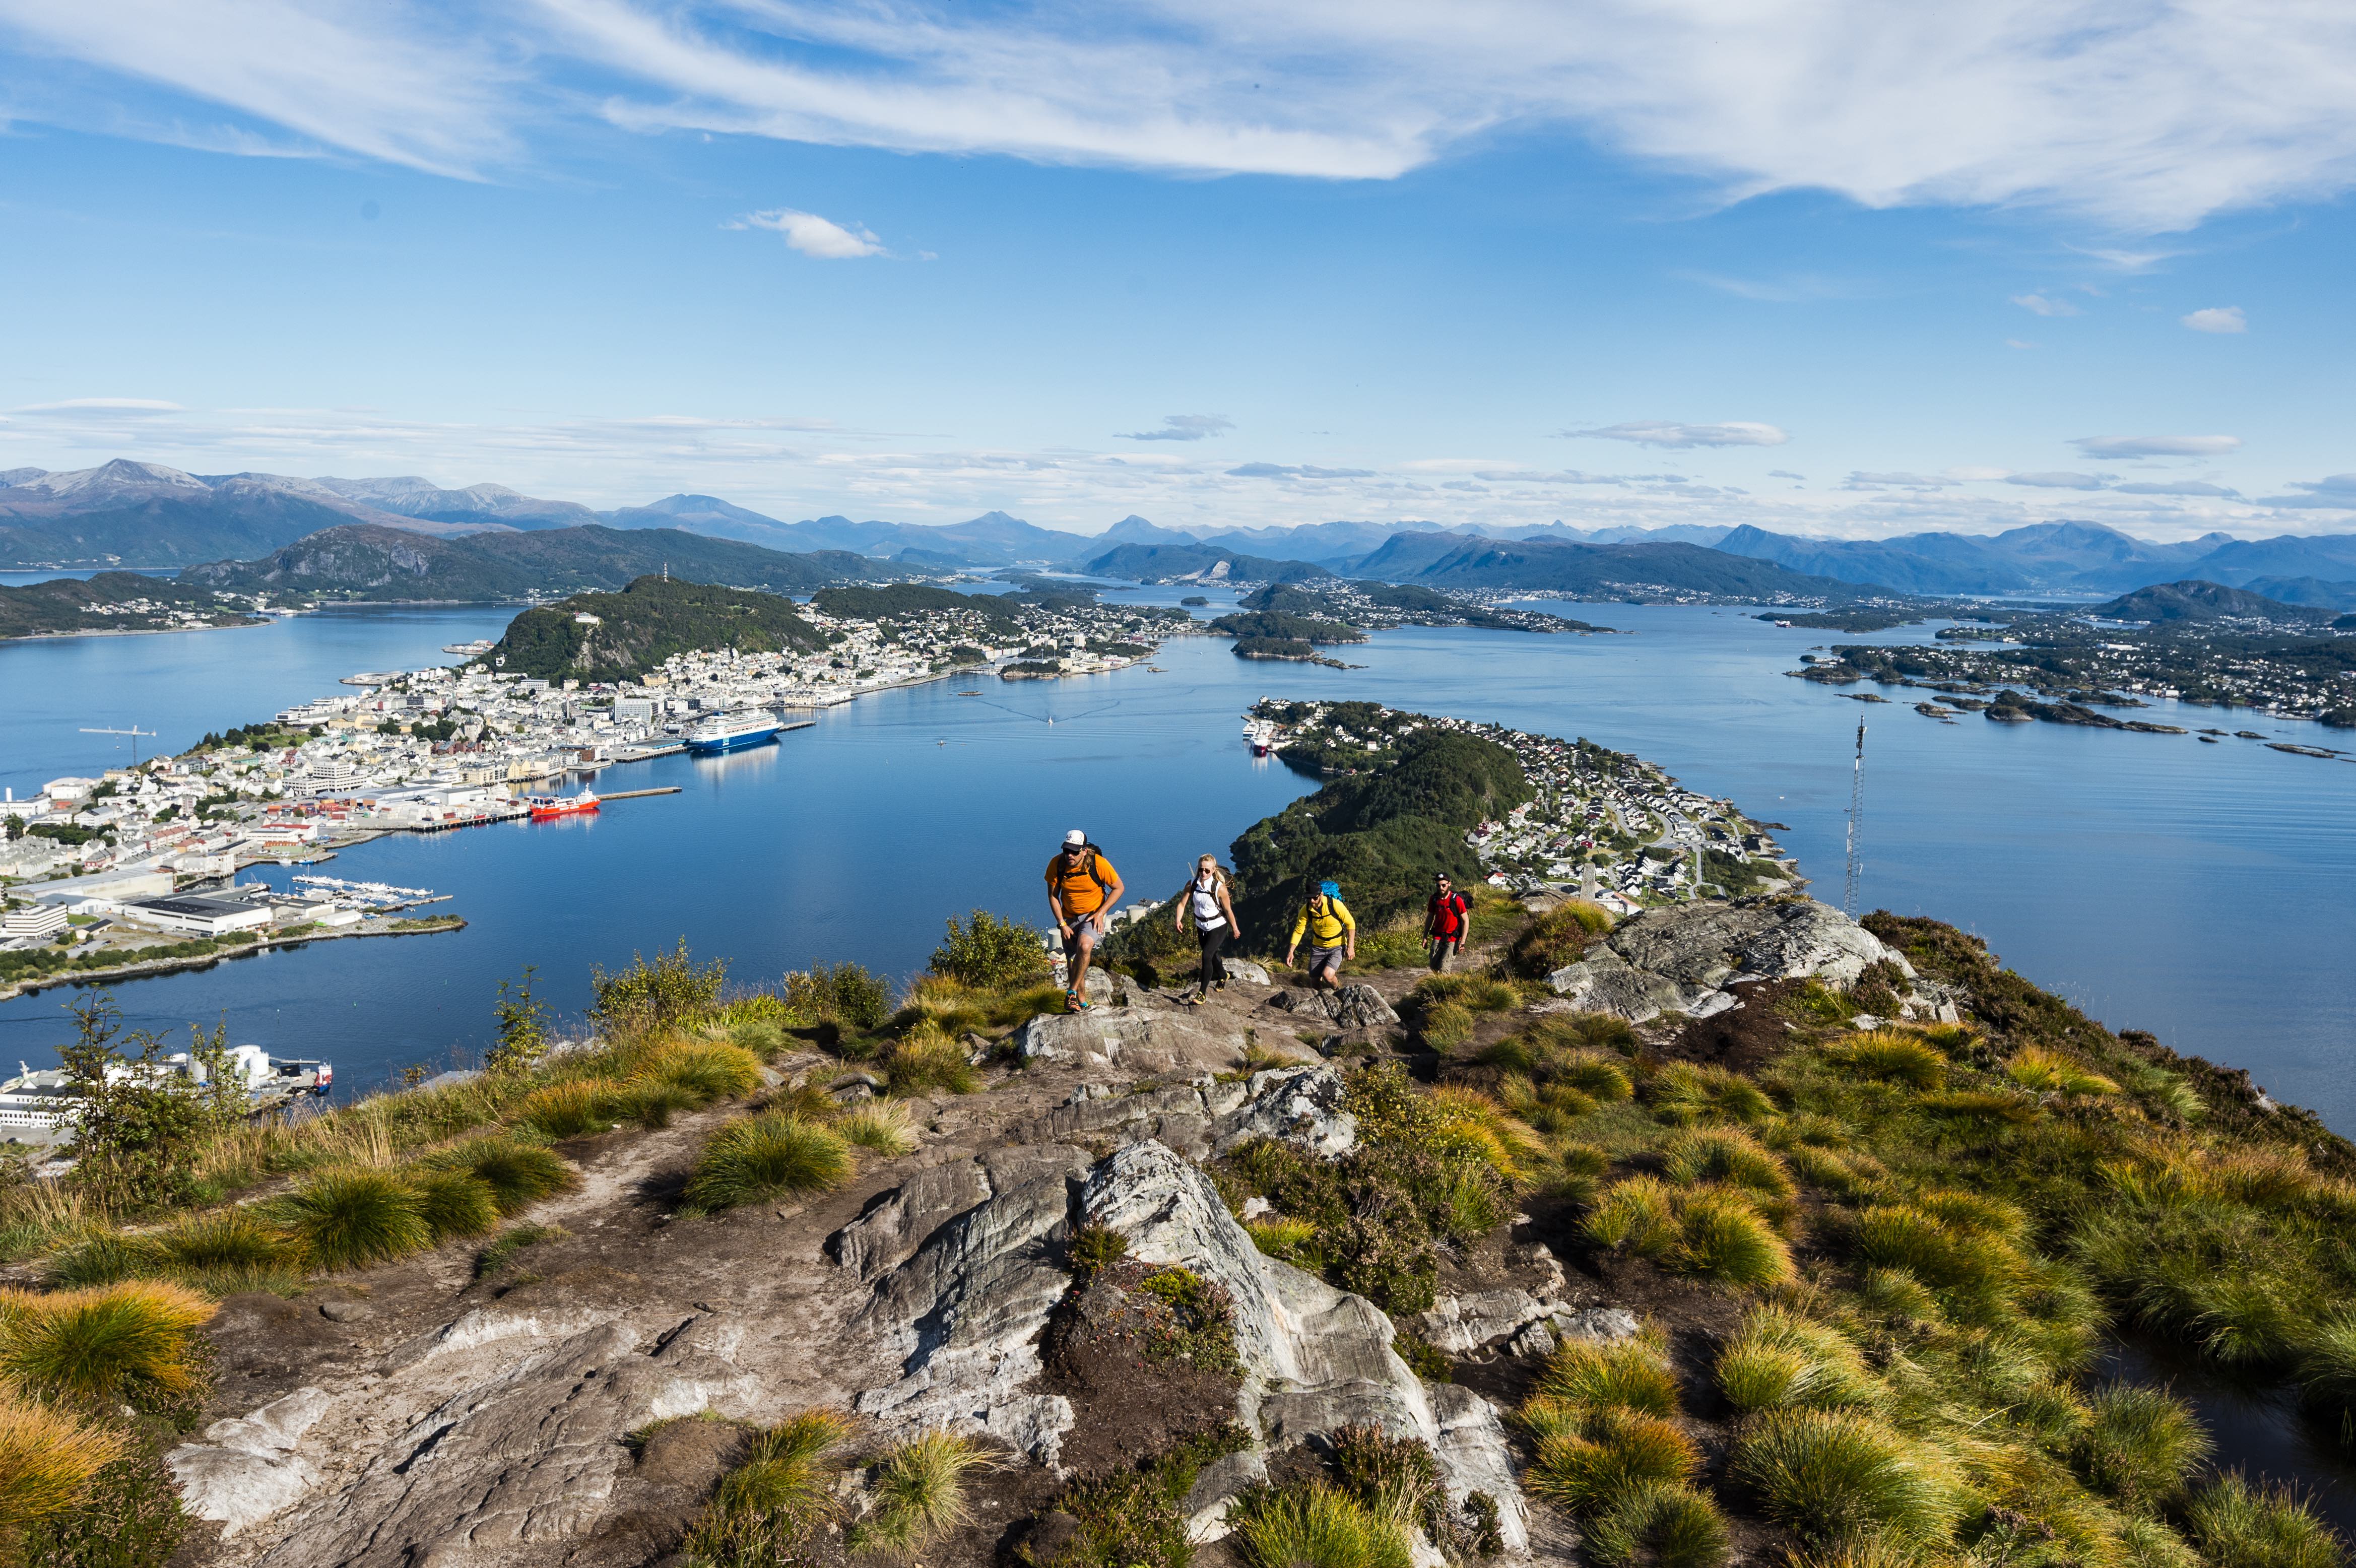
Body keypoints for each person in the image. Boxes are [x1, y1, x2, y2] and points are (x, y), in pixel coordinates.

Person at [1044, 829, 1123, 1012]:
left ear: (1084, 851)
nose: (1069, 855)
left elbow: (1119, 888)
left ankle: (1070, 992)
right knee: (1074, 960)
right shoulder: (1057, 864)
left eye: (1074, 851)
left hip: (1091, 915)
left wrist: (1101, 913)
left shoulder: (1099, 864)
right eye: (1066, 850)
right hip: (1068, 918)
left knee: (1085, 947)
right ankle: (1081, 1001)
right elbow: (1053, 896)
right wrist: (1062, 924)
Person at [1171, 854, 1239, 1005]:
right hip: (1201, 926)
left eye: (1207, 871)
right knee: (1212, 954)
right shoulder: (1192, 884)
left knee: (1206, 956)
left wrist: (1235, 928)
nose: (1203, 873)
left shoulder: (1219, 888)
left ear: (1214, 870)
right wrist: (1178, 920)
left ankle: (1202, 993)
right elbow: (1182, 904)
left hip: (1218, 926)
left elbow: (1228, 911)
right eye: (1201, 869)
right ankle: (1223, 975)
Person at [1284, 879, 1355, 990]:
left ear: (1321, 894)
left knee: (1328, 976)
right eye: (1309, 898)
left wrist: (1351, 947)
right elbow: (1299, 930)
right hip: (1318, 947)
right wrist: (1291, 951)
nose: (1312, 901)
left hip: (1337, 946)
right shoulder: (1306, 910)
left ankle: (1337, 991)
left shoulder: (1335, 905)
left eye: (1315, 898)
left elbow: (1350, 924)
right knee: (1315, 981)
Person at [1425, 872, 1471, 972]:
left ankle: (1446, 987)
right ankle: (1440, 985)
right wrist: (1425, 937)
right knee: (1434, 966)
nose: (1441, 888)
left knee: (1444, 969)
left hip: (1453, 939)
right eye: (1438, 885)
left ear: (1449, 884)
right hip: (1438, 937)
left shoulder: (1456, 900)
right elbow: (1430, 917)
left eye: (1443, 885)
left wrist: (1462, 942)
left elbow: (1465, 921)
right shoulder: (1434, 899)